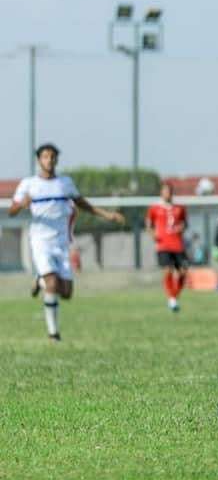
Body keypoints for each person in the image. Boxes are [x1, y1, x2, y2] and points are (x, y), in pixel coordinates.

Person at [9, 143, 125, 341]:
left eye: (53, 156)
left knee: (67, 292)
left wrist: (107, 215)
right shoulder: (29, 184)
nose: (49, 160)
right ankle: (53, 333)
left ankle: (39, 280)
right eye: (45, 156)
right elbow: (11, 212)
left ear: (56, 159)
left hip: (61, 243)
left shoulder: (65, 183)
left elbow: (83, 204)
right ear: (39, 160)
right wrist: (21, 204)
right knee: (52, 283)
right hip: (40, 241)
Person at [146, 182, 189, 312]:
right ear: (161, 193)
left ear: (172, 193)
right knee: (168, 270)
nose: (167, 194)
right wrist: (153, 234)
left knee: (183, 272)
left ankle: (174, 297)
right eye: (165, 191)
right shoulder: (154, 208)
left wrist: (181, 227)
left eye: (169, 191)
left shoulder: (180, 208)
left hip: (178, 245)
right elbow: (148, 224)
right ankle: (171, 298)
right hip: (163, 245)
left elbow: (184, 224)